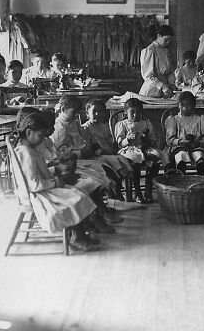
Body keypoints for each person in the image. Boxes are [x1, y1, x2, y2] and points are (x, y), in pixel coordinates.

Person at [13, 112, 100, 251]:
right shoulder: (25, 152)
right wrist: (55, 183)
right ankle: (77, 236)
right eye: (40, 135)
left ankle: (79, 234)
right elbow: (33, 184)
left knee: (78, 192)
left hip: (40, 188)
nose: (42, 140)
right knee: (76, 197)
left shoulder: (28, 148)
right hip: (35, 194)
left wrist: (56, 177)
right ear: (28, 132)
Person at [114, 98, 166, 203]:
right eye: (132, 112)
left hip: (144, 148)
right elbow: (119, 143)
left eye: (138, 112)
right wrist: (128, 139)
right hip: (128, 149)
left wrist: (147, 139)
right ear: (125, 112)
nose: (135, 115)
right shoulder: (122, 124)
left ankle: (148, 189)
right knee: (135, 162)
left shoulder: (146, 123)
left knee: (157, 157)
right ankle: (137, 192)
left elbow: (152, 139)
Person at [81, 99, 132, 184]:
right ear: (87, 113)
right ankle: (113, 189)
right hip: (96, 155)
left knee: (120, 159)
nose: (97, 114)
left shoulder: (104, 126)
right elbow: (89, 147)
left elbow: (109, 141)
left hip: (108, 152)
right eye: (94, 111)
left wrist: (113, 146)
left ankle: (118, 187)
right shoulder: (85, 128)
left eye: (100, 111)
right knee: (111, 163)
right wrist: (104, 151)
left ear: (104, 113)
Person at [164, 91, 204, 175]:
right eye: (182, 105)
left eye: (188, 105)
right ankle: (182, 179)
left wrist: (199, 142)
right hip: (179, 147)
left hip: (197, 147)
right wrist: (181, 142)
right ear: (178, 105)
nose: (185, 108)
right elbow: (169, 140)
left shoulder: (200, 119)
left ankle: (199, 178)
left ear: (194, 106)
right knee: (181, 155)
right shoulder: (174, 120)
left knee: (199, 155)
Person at [139, 25, 177, 98]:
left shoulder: (165, 51)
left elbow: (168, 71)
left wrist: (172, 82)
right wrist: (162, 86)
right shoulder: (149, 51)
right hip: (151, 90)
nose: (168, 42)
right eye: (166, 40)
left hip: (164, 90)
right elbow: (148, 76)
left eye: (170, 40)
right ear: (159, 36)